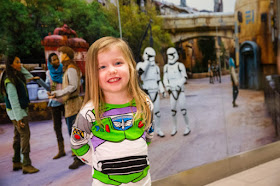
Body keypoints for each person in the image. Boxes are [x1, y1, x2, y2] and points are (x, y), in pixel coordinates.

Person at [70, 36, 154, 185]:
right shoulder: (89, 113)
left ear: (131, 66)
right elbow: (77, 145)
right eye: (102, 67)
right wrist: (96, 161)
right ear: (92, 74)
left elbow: (149, 134)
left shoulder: (145, 104)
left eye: (118, 63)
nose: (112, 70)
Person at [0, 54, 39, 174]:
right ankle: (26, 164)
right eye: (17, 62)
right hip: (18, 112)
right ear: (11, 64)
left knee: (17, 136)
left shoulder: (15, 75)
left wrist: (19, 67)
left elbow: (30, 76)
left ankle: (16, 161)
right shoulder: (9, 80)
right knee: (25, 135)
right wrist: (19, 118)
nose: (20, 64)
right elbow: (13, 101)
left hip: (15, 112)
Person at [48, 46, 84, 169]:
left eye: (61, 53)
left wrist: (58, 93)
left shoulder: (71, 69)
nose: (60, 56)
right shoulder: (68, 68)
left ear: (66, 55)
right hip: (70, 104)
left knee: (74, 132)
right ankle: (80, 156)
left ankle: (79, 158)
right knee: (74, 131)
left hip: (73, 104)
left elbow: (73, 86)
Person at [136, 47, 165, 137]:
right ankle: (146, 132)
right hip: (146, 91)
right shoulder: (141, 64)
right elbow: (139, 73)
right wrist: (147, 61)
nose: (151, 58)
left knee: (157, 112)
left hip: (155, 91)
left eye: (152, 56)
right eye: (149, 56)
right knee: (145, 113)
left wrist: (162, 90)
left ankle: (158, 129)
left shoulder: (156, 68)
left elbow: (158, 80)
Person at [163, 47, 191, 136]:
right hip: (172, 91)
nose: (170, 56)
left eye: (172, 54)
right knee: (173, 111)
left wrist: (179, 84)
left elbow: (184, 77)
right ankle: (174, 127)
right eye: (169, 55)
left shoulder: (180, 65)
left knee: (183, 110)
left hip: (180, 90)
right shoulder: (166, 67)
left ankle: (187, 126)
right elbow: (165, 78)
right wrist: (167, 86)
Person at [45, 53, 65, 159]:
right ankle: (61, 150)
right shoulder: (48, 73)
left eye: (57, 59)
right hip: (54, 102)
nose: (56, 61)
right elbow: (47, 86)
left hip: (65, 100)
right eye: (53, 60)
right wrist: (48, 92)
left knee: (71, 125)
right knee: (57, 127)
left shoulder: (64, 70)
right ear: (50, 62)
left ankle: (75, 149)